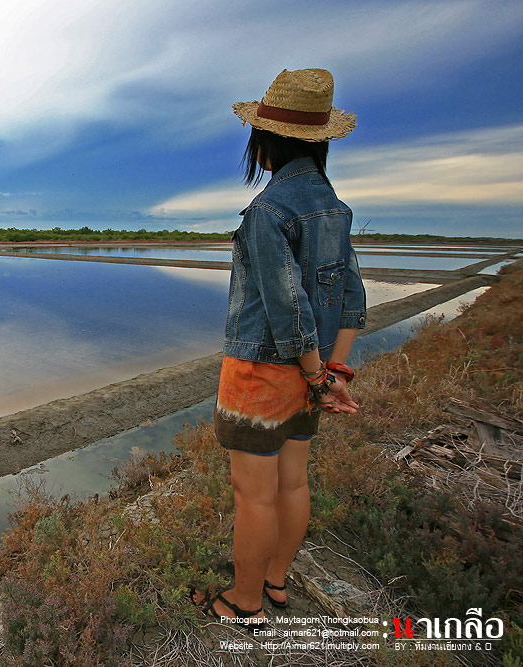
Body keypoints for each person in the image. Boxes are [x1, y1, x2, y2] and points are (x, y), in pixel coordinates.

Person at [193, 68, 367, 627]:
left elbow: (286, 309)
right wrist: (333, 372)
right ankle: (275, 581)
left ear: (268, 141)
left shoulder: (268, 211)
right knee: (293, 481)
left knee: (255, 496)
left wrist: (318, 377)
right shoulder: (334, 209)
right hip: (311, 371)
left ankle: (245, 604)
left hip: (262, 372)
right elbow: (352, 297)